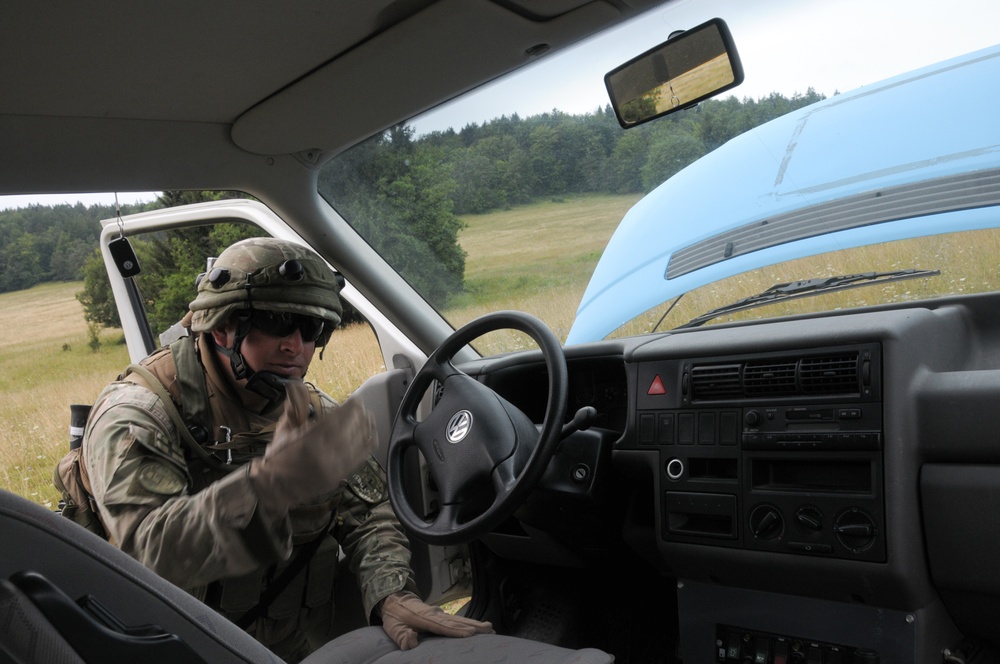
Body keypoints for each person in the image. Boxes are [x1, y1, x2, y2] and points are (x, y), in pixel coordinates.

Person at [81, 236, 492, 662]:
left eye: (311, 329)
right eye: (277, 322)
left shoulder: (310, 410)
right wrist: (272, 485)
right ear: (222, 325)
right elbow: (150, 551)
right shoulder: (139, 415)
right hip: (178, 647)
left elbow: (369, 512)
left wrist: (390, 593)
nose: (296, 346)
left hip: (286, 647)